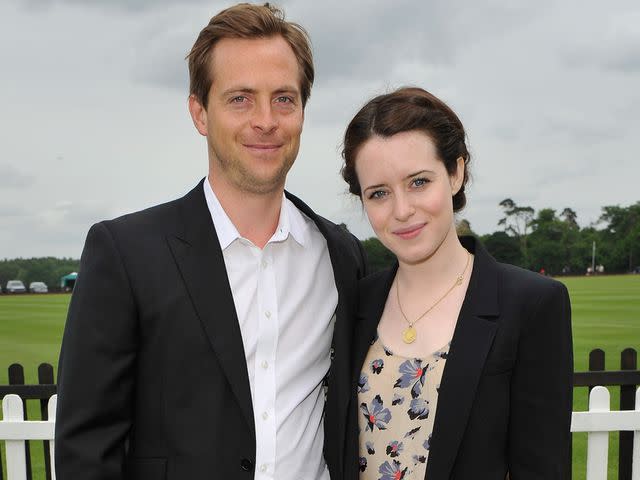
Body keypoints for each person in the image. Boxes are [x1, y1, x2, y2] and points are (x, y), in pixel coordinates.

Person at [54, 4, 367, 479]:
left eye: (284, 98)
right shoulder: (126, 254)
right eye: (240, 98)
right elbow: (86, 449)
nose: (266, 120)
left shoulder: (341, 256)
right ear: (200, 112)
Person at [339, 87, 573, 479]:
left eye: (418, 182)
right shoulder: (355, 303)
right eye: (379, 193)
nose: (402, 210)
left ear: (455, 172)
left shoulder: (531, 305)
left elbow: (543, 468)